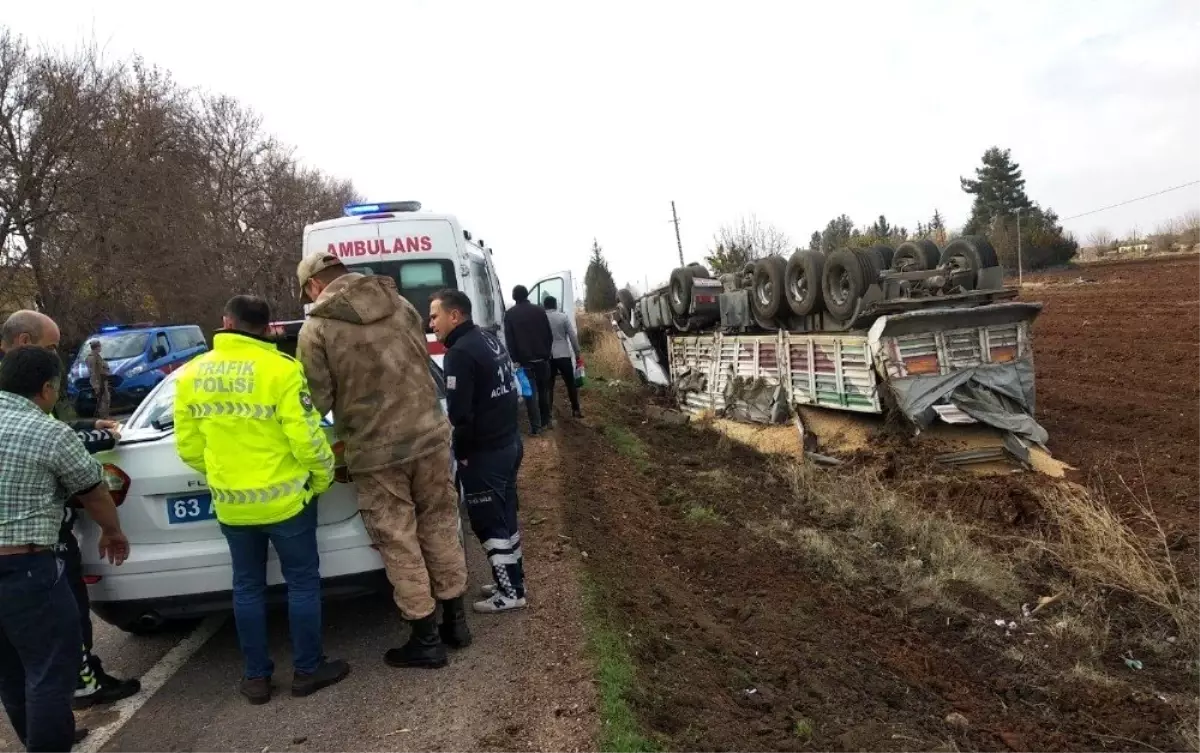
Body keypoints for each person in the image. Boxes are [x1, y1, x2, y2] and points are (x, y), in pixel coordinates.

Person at [295, 252, 470, 669]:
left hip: (376, 452)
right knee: (441, 524)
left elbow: (314, 402)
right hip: (429, 437)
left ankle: (425, 639)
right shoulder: (402, 305)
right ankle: (456, 623)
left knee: (398, 538)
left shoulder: (316, 329)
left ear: (314, 286)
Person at [173, 295, 348, 705]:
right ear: (269, 328)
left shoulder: (191, 374)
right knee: (302, 581)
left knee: (247, 586)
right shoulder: (281, 370)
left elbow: (188, 447)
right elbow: (306, 439)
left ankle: (256, 679)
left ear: (225, 322)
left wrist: (225, 476)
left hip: (232, 504)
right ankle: (307, 670)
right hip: (288, 501)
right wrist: (320, 478)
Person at [0, 311, 141, 710]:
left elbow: (47, 429)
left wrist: (84, 426)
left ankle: (71, 691)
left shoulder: (17, 389)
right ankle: (77, 690)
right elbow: (55, 445)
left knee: (14, 666)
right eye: (50, 347)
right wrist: (92, 435)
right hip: (31, 548)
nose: (56, 356)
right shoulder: (30, 385)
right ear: (25, 342)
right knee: (56, 643)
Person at [430, 290, 527, 613]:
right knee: (506, 515)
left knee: (488, 521)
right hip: (509, 443)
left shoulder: (459, 353)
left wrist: (463, 452)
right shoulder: (489, 339)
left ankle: (510, 592)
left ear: (454, 316)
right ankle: (511, 580)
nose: (431, 324)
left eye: (435, 316)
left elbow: (459, 414)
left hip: (485, 452)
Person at [503, 285, 554, 433]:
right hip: (542, 359)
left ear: (514, 297)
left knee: (529, 393)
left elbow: (510, 340)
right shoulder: (539, 310)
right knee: (544, 391)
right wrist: (546, 353)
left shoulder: (510, 314)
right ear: (526, 295)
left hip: (524, 362)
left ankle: (536, 427)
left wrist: (514, 359)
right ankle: (546, 421)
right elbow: (548, 335)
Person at [541, 295, 583, 419]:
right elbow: (572, 336)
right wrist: (577, 353)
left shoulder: (541, 319)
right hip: (564, 355)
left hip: (548, 356)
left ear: (544, 306)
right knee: (570, 383)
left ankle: (548, 413)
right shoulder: (563, 317)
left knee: (549, 385)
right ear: (555, 305)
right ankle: (575, 410)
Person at [84, 341, 111, 420]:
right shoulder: (91, 358)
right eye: (99, 346)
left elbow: (103, 366)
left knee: (106, 398)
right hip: (98, 381)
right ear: (97, 347)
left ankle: (106, 416)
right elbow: (92, 372)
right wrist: (96, 385)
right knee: (102, 400)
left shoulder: (98, 356)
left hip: (103, 380)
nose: (101, 348)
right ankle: (103, 417)